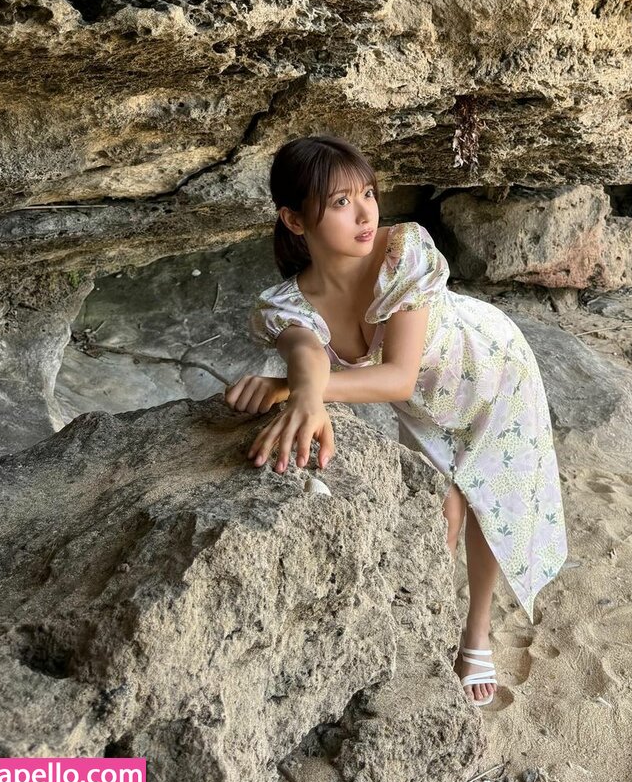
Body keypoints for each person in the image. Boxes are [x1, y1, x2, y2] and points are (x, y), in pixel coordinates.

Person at [225, 134, 567, 707]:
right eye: (340, 202)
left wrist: (295, 391)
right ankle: (429, 622)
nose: (365, 214)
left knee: (489, 503)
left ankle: (475, 632)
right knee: (439, 509)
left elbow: (398, 376)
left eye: (368, 193)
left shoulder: (402, 250)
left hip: (493, 375)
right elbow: (305, 350)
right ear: (294, 219)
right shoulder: (287, 303)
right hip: (425, 406)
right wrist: (300, 383)